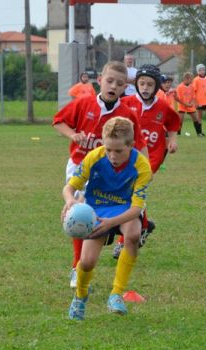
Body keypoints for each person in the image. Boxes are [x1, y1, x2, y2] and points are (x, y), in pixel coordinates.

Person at [53, 61, 147, 288]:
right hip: (79, 166)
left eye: (120, 83)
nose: (114, 86)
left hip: (109, 171)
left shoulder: (126, 114)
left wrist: (145, 171)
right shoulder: (84, 104)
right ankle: (77, 267)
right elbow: (58, 121)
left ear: (126, 87)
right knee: (78, 213)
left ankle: (118, 234)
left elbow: (139, 145)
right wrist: (73, 135)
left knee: (107, 211)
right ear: (100, 81)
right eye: (110, 81)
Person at [64, 117, 152, 319]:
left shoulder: (141, 165)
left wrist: (112, 223)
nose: (112, 155)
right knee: (87, 262)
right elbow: (69, 187)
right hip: (97, 209)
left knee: (132, 235)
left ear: (131, 145)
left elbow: (137, 207)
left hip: (125, 209)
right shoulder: (94, 157)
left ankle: (116, 294)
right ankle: (80, 296)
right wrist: (70, 201)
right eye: (108, 149)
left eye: (118, 151)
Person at [114, 65, 181, 260]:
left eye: (149, 84)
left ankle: (124, 241)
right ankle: (143, 226)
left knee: (132, 192)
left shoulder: (162, 107)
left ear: (157, 87)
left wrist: (173, 140)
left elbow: (173, 123)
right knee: (131, 195)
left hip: (151, 158)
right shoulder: (125, 103)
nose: (144, 87)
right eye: (141, 83)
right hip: (127, 157)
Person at [176, 71, 203, 136]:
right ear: (186, 78)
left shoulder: (192, 87)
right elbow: (178, 99)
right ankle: (178, 134)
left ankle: (199, 133)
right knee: (180, 120)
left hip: (190, 106)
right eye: (191, 79)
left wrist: (191, 103)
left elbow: (193, 96)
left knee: (195, 118)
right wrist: (186, 104)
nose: (192, 81)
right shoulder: (180, 87)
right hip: (182, 105)